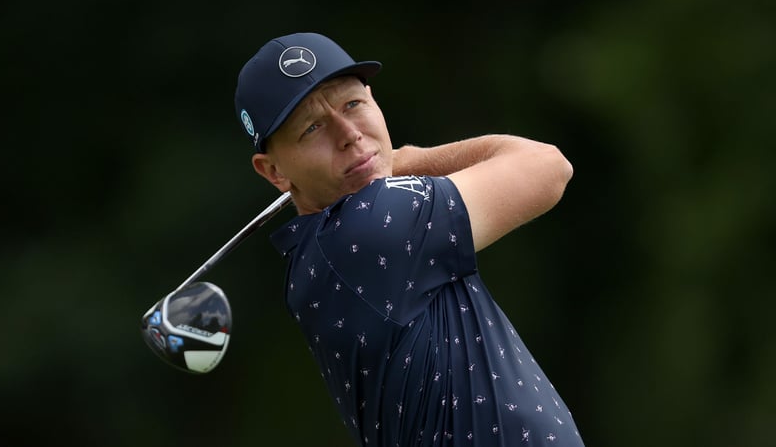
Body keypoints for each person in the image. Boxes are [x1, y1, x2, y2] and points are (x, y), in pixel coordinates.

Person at [234, 32, 584, 446]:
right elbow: (547, 167)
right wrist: (407, 159)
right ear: (274, 172)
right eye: (313, 128)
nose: (349, 134)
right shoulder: (370, 226)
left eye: (353, 104)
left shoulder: (318, 254)